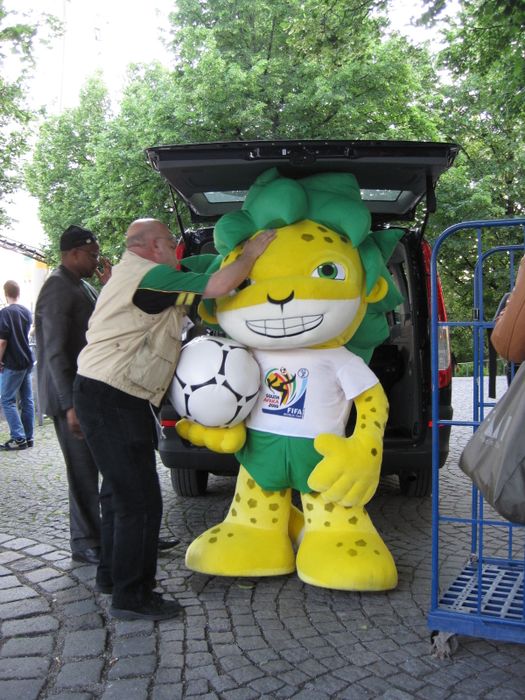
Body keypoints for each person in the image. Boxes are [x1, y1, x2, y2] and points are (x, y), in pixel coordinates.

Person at [73, 218, 275, 621]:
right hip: (114, 395)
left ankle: (112, 576)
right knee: (140, 500)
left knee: (117, 494)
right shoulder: (151, 277)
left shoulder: (142, 273)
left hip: (104, 391)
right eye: (169, 241)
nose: (174, 248)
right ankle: (133, 597)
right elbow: (217, 286)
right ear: (151, 246)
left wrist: (230, 254)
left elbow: (204, 268)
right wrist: (251, 254)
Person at [34, 225, 111, 564]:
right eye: (92, 255)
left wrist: (109, 287)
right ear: (73, 253)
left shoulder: (81, 285)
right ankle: (85, 542)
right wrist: (69, 405)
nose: (96, 260)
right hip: (70, 399)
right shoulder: (57, 288)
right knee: (82, 471)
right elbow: (54, 353)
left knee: (108, 463)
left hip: (87, 393)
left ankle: (116, 532)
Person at [0, 280, 35, 451]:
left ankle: (19, 438)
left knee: (7, 400)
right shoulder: (26, 312)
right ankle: (29, 438)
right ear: (18, 293)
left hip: (13, 362)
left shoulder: (5, 313)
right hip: (27, 360)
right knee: (27, 400)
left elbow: (2, 341)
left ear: (5, 293)